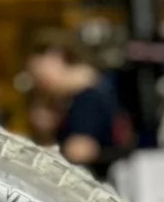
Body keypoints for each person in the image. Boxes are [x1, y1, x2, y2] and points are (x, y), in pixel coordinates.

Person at [22, 32, 124, 175]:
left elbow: (79, 150)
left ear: (57, 57)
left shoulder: (87, 97)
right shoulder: (71, 98)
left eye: (40, 79)